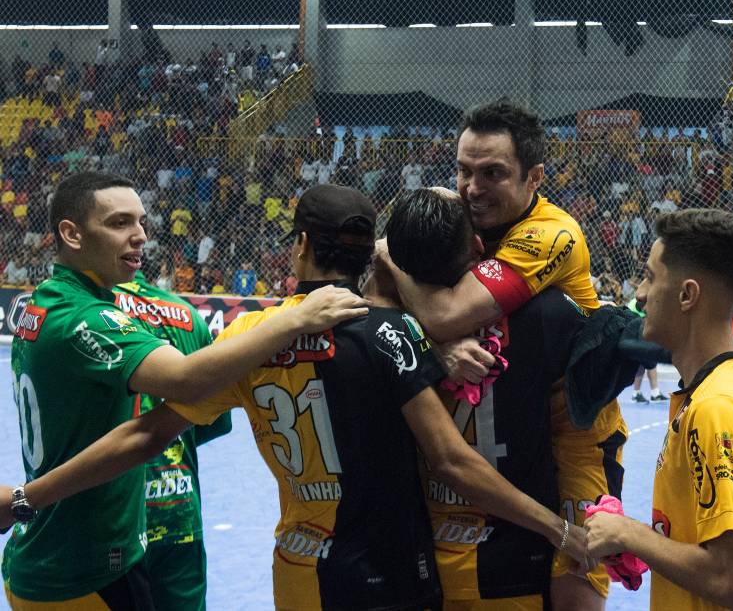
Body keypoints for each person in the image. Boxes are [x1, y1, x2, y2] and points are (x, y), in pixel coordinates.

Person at [0, 184, 584, 611]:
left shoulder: (248, 341)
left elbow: (144, 434)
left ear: (299, 244)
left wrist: (29, 497)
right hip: (392, 578)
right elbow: (453, 462)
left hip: (301, 576)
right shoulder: (392, 332)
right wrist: (558, 530)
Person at [0, 171, 369, 610]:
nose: (139, 237)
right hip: (80, 564)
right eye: (119, 223)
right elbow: (186, 380)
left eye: (140, 222)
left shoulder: (38, 303)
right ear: (71, 234)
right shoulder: (87, 318)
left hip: (70, 549)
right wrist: (293, 318)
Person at [377, 101, 617, 608]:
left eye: (493, 174)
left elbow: (445, 314)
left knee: (575, 578)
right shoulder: (460, 216)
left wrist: (390, 259)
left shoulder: (551, 234)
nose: (472, 189)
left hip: (573, 429)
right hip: (506, 415)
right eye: (464, 171)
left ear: (534, 178)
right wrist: (439, 344)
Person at [585, 209, 733, 611]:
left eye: (649, 277)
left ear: (686, 295)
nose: (640, 293)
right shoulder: (727, 388)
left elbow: (730, 580)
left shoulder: (718, 409)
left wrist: (629, 535)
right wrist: (649, 542)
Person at [113, 273, 232, 611]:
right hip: (178, 513)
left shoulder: (81, 312)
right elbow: (213, 420)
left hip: (109, 518)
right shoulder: (185, 314)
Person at [626, 298, 667, 403]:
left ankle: (654, 393)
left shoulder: (652, 305)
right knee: (642, 363)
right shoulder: (632, 308)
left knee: (651, 361)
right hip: (633, 336)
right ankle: (637, 393)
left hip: (644, 335)